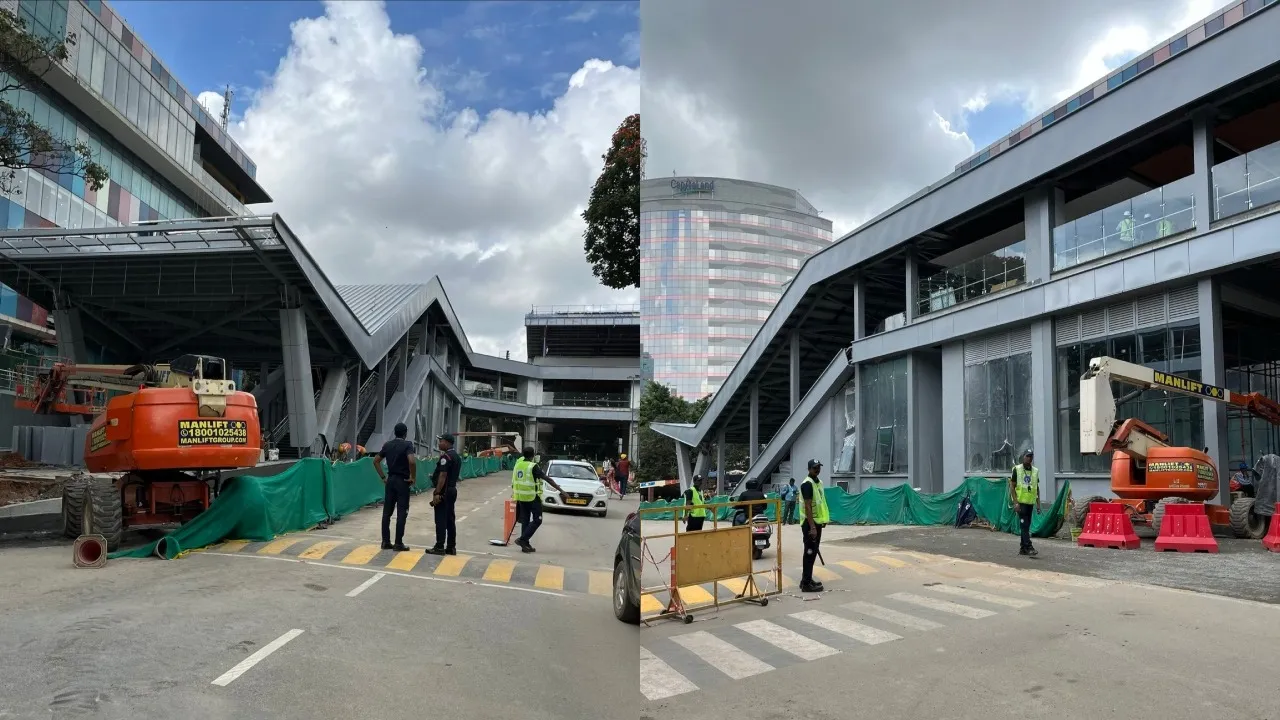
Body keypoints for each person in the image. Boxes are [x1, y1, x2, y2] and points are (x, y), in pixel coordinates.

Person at [372, 423, 417, 551]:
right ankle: (398, 543)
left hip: (390, 480)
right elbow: (412, 461)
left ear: (395, 432)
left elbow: (375, 461)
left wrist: (383, 477)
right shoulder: (407, 445)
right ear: (405, 433)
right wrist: (413, 477)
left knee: (387, 513)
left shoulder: (388, 445)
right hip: (403, 481)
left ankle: (385, 541)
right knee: (402, 512)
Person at [511, 446, 565, 553]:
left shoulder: (518, 465)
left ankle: (525, 545)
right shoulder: (533, 466)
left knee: (525, 521)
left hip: (521, 497)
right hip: (532, 497)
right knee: (537, 520)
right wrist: (561, 490)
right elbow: (547, 478)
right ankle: (522, 540)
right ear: (533, 455)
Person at [426, 433, 462, 556]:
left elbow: (443, 475)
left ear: (447, 442)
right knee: (450, 519)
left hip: (444, 491)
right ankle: (451, 547)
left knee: (440, 519)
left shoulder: (445, 457)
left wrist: (437, 492)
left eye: (441, 441)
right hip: (452, 490)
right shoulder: (456, 456)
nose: (439, 443)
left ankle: (439, 546)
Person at [798, 459, 829, 593]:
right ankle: (806, 584)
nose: (817, 470)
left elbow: (821, 502)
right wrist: (812, 527)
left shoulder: (818, 483)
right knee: (810, 552)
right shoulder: (807, 484)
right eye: (815, 468)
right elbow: (808, 506)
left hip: (817, 522)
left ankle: (806, 579)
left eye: (818, 467)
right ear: (809, 469)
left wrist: (823, 520)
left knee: (813, 551)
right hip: (810, 523)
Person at [1009, 449, 1042, 557]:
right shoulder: (1017, 470)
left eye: (1031, 456)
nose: (1029, 458)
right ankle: (1029, 547)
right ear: (1023, 457)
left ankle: (1023, 548)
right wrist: (1015, 502)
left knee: (1026, 526)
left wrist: (1038, 504)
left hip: (1030, 503)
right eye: (1027, 456)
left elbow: (1036, 488)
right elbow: (1012, 487)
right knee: (1024, 525)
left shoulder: (1035, 471)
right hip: (1021, 503)